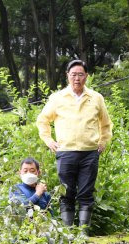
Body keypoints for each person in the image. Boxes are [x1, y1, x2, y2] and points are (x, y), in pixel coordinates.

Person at [36, 59, 113, 230]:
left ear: (86, 76)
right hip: (65, 152)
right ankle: (68, 233)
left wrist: (103, 141)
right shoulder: (57, 98)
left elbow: (106, 124)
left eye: (80, 74)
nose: (77, 78)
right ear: (67, 76)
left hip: (89, 153)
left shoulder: (96, 98)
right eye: (73, 75)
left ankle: (83, 232)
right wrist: (49, 140)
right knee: (67, 192)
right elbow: (42, 120)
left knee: (86, 193)